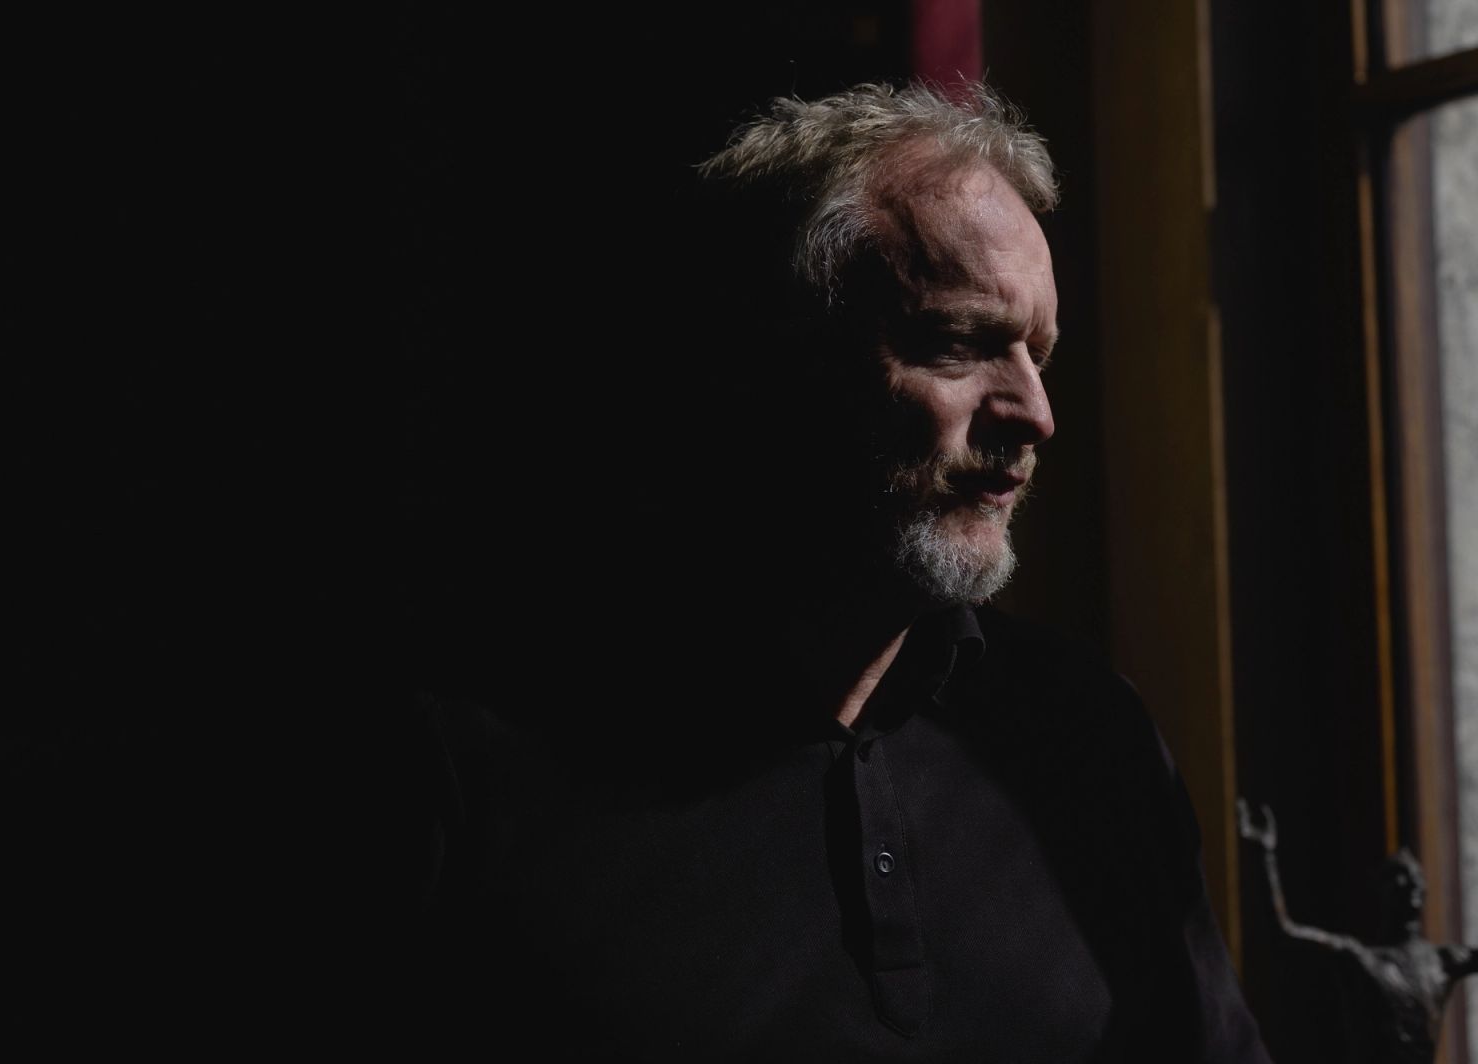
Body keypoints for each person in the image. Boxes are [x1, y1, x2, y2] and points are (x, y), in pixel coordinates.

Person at [418, 82, 1272, 1061]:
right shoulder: (473, 758)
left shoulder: (1088, 738)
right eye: (959, 343)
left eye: (1038, 354)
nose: (1034, 414)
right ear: (772, 358)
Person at [1238, 799, 1478, 1062]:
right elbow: (1284, 932)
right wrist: (1264, 855)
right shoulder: (1360, 958)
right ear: (1381, 891)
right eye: (1400, 876)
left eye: (1416, 878)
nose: (1411, 884)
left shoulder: (1441, 962)